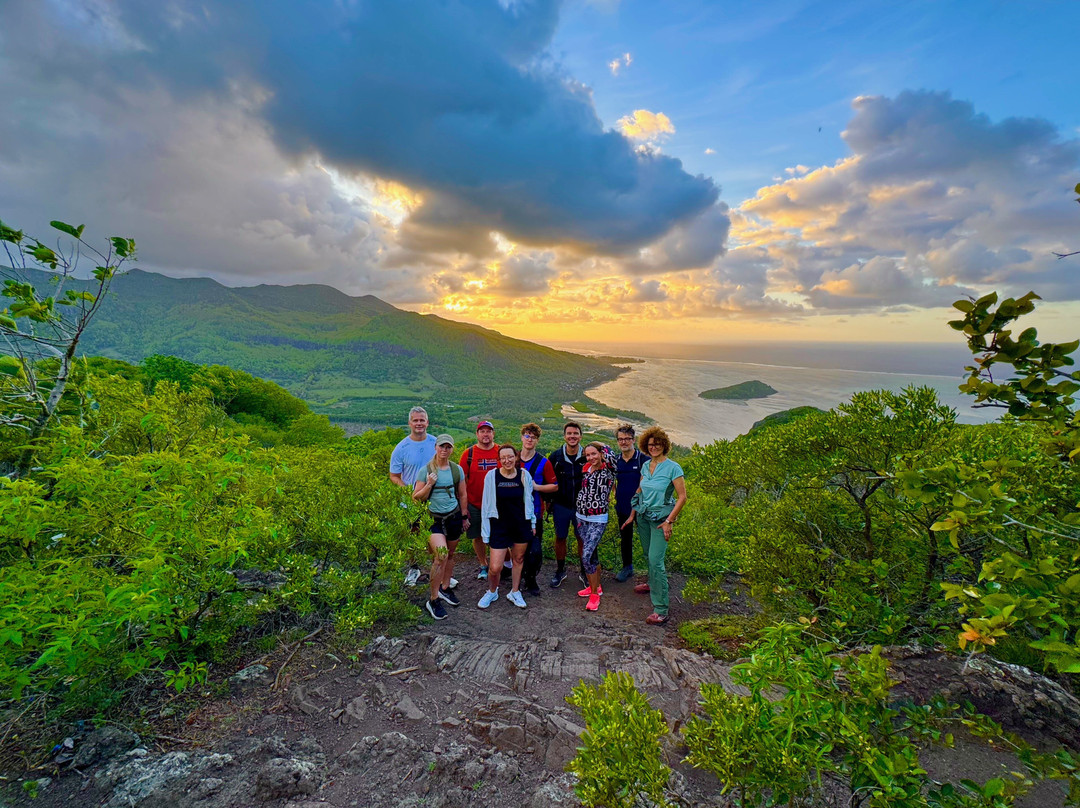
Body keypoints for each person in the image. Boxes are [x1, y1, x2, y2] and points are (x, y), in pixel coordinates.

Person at [621, 426, 687, 625]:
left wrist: (669, 521)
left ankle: (661, 609)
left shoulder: (673, 468)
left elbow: (682, 497)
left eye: (657, 444)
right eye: (650, 444)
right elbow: (640, 490)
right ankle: (652, 583)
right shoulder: (645, 465)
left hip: (660, 520)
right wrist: (632, 514)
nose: (654, 447)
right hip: (643, 517)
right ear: (646, 446)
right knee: (647, 554)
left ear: (664, 445)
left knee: (655, 561)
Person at [412, 434, 468, 620]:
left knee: (450, 555)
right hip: (433, 519)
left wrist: (464, 516)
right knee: (441, 556)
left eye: (448, 447)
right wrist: (429, 484)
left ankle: (445, 587)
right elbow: (416, 497)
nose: (444, 450)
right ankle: (433, 599)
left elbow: (463, 494)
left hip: (453, 517)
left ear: (452, 449)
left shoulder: (457, 470)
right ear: (435, 447)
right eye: (442, 446)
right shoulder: (425, 471)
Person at [478, 444, 535, 609]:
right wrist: (485, 532)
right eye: (503, 458)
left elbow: (529, 500)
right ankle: (492, 591)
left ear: (516, 457)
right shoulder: (492, 476)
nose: (507, 460)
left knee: (518, 559)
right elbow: (486, 504)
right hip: (499, 525)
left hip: (520, 524)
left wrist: (532, 522)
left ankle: (515, 591)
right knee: (495, 567)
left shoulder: (524, 475)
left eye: (510, 456)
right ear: (499, 460)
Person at [576, 442, 616, 612]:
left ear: (601, 454)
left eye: (594, 453)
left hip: (598, 518)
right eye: (588, 455)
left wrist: (601, 445)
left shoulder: (609, 469)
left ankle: (594, 595)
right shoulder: (586, 469)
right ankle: (596, 586)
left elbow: (612, 455)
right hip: (581, 517)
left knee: (586, 556)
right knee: (592, 556)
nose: (591, 457)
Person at [518, 423, 558, 596]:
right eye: (527, 436)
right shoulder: (512, 458)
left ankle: (531, 578)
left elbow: (554, 486)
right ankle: (515, 575)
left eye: (533, 437)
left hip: (535, 512)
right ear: (522, 437)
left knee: (534, 549)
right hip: (514, 511)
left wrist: (537, 487)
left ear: (537, 440)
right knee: (514, 547)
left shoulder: (543, 462)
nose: (530, 439)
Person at [547, 422, 586, 588]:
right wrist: (548, 502)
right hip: (561, 505)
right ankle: (560, 570)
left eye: (575, 433)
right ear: (564, 436)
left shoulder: (588, 456)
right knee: (560, 537)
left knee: (582, 538)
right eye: (569, 433)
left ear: (580, 436)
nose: (572, 436)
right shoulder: (556, 457)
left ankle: (584, 571)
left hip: (582, 507)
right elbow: (548, 480)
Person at [460, 421, 500, 579]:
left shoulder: (500, 451)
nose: (485, 434)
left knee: (499, 535)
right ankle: (483, 564)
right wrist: (463, 508)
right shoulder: (468, 454)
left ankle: (501, 565)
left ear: (493, 434)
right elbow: (461, 481)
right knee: (477, 536)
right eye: (482, 431)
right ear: (477, 434)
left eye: (488, 431)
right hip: (474, 503)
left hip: (498, 504)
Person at [613, 424, 645, 582]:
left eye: (627, 439)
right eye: (620, 439)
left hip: (642, 508)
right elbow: (610, 479)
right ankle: (627, 567)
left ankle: (654, 571)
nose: (623, 442)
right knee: (625, 538)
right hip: (623, 506)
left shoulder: (642, 459)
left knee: (647, 539)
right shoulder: (615, 460)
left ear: (634, 440)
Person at [389, 406, 437, 487]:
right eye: (415, 420)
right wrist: (407, 491)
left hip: (435, 492)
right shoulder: (400, 448)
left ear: (427, 423)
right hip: (412, 492)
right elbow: (394, 476)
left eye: (422, 420)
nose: (419, 423)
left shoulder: (437, 444)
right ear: (409, 423)